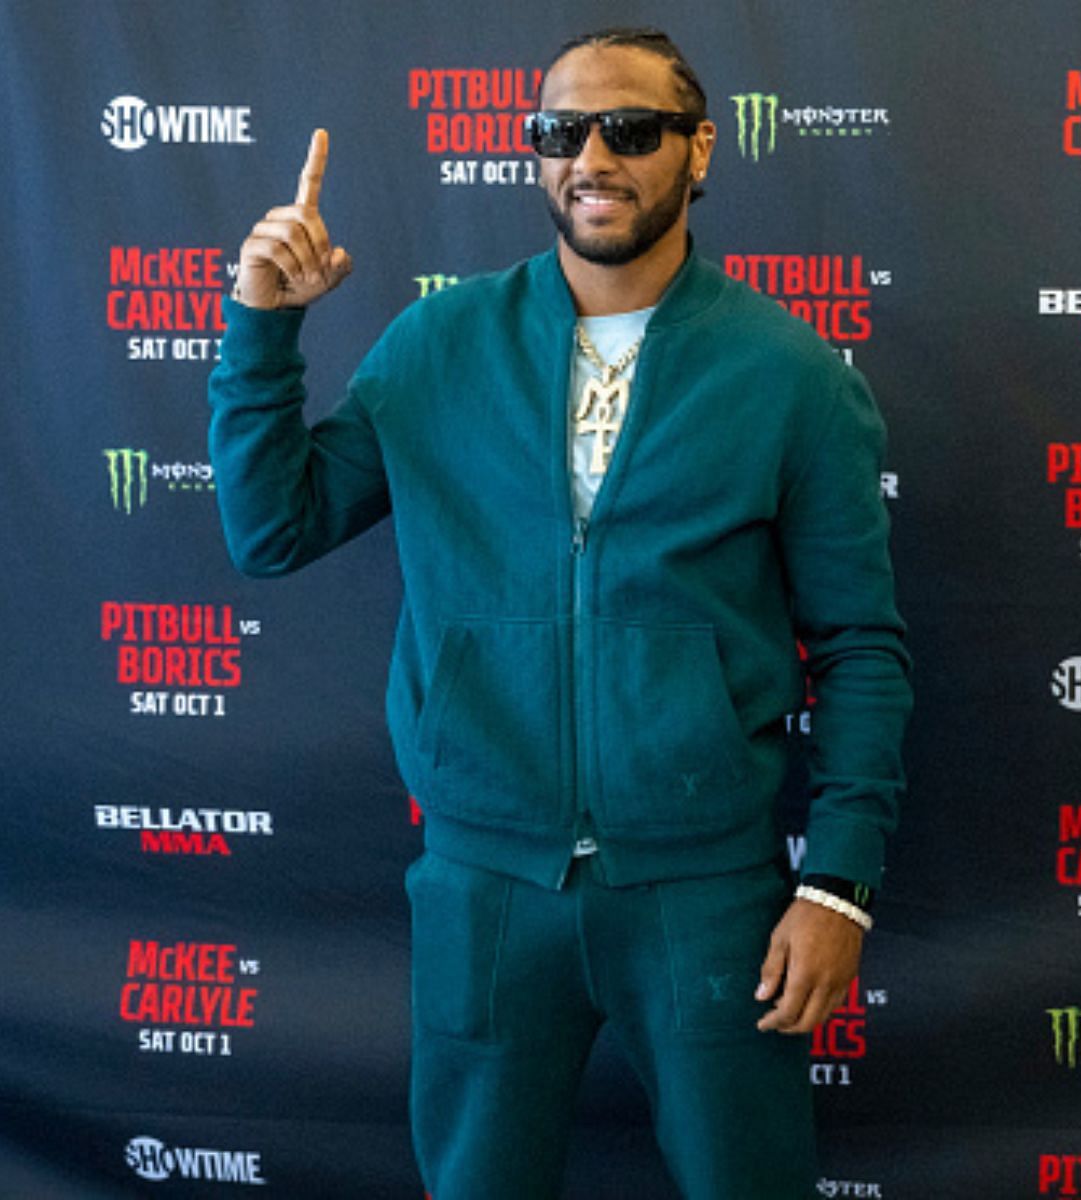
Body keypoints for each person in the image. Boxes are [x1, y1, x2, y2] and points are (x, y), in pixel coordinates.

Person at [207, 26, 909, 1200]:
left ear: (700, 152)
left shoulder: (792, 375)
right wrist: (264, 325)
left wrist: (836, 884)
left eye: (631, 130)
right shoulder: (437, 345)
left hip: (706, 893)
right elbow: (272, 529)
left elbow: (860, 649)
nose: (593, 156)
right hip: (483, 885)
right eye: (560, 131)